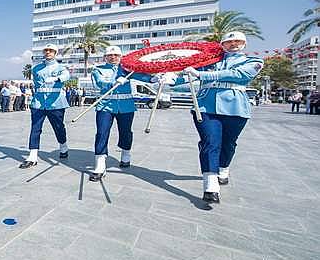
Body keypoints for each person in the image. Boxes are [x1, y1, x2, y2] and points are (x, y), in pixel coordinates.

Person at [170, 31, 263, 203]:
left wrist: (203, 75)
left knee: (228, 143)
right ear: (222, 44)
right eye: (229, 42)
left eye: (238, 41)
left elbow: (239, 75)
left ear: (244, 44)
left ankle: (224, 167)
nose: (233, 44)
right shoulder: (209, 62)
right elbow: (189, 75)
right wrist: (169, 79)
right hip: (206, 106)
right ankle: (210, 185)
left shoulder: (253, 61)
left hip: (235, 108)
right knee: (210, 142)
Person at [88, 46, 153, 181]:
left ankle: (125, 154)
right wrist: (113, 82)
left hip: (126, 107)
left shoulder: (127, 69)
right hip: (105, 106)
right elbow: (99, 83)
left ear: (120, 56)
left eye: (116, 55)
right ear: (105, 57)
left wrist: (156, 78)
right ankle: (100, 165)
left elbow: (144, 77)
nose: (113, 57)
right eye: (110, 55)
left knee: (126, 132)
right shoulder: (98, 69)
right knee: (101, 133)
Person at [19, 44, 70, 169]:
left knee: (58, 127)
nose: (48, 52)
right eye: (46, 50)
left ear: (55, 53)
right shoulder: (36, 69)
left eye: (51, 50)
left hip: (56, 103)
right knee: (35, 128)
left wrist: (56, 78)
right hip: (39, 103)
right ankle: (32, 156)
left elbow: (66, 76)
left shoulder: (61, 67)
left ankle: (63, 146)